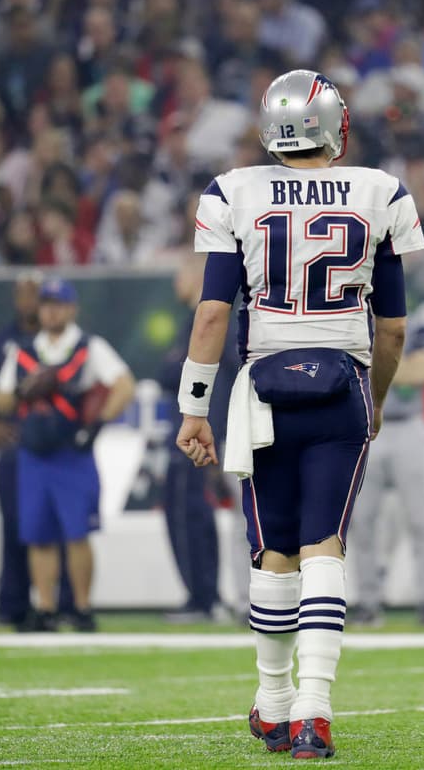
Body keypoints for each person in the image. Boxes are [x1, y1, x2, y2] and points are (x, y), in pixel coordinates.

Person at [176, 69, 423, 759]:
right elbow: (394, 328)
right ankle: (310, 710)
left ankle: (278, 703)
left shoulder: (233, 191)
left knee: (273, 549)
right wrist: (373, 401)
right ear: (331, 125)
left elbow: (214, 314)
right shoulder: (381, 191)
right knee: (325, 547)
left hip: (262, 388)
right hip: (341, 381)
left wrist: (195, 407)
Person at [0, 277, 135, 632]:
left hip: (72, 451)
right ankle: (45, 606)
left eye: (58, 304)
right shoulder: (24, 350)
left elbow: (124, 384)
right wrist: (23, 393)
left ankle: (82, 606)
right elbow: (1, 398)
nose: (51, 311)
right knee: (38, 534)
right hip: (35, 453)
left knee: (77, 533)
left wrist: (97, 425)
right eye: (46, 304)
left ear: (72, 309)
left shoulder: (88, 347)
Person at [159, 254, 237, 624]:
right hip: (194, 429)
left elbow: (220, 379)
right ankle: (200, 595)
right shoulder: (190, 322)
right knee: (184, 512)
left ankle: (204, 597)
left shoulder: (213, 322)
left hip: (204, 432)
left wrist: (218, 430)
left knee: (194, 514)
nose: (176, 284)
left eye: (180, 275)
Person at [347, 317, 424, 628]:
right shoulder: (351, 321)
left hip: (406, 427)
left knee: (419, 519)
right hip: (364, 426)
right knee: (361, 521)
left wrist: (372, 368)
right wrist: (397, 367)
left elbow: (423, 372)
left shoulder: (413, 326)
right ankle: (368, 601)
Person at [0, 272, 41, 627]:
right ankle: (13, 603)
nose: (29, 301)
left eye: (35, 293)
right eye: (23, 293)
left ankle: (52, 603)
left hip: (48, 444)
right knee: (14, 525)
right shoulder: (2, 342)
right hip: (14, 445)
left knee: (47, 526)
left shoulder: (56, 340)